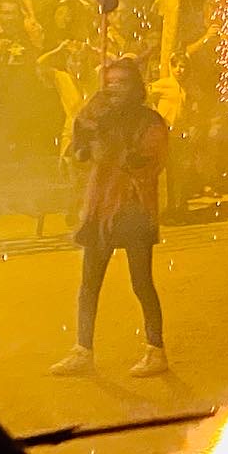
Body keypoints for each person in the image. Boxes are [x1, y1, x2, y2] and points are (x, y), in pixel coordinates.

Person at [50, 57, 169, 378]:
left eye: (122, 83)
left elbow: (145, 161)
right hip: (101, 207)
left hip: (133, 208)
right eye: (110, 83)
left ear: (136, 87)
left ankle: (155, 351)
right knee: (89, 283)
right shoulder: (97, 114)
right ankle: (82, 350)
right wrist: (87, 127)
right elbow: (80, 154)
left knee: (141, 282)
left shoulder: (150, 121)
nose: (115, 89)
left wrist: (109, 133)